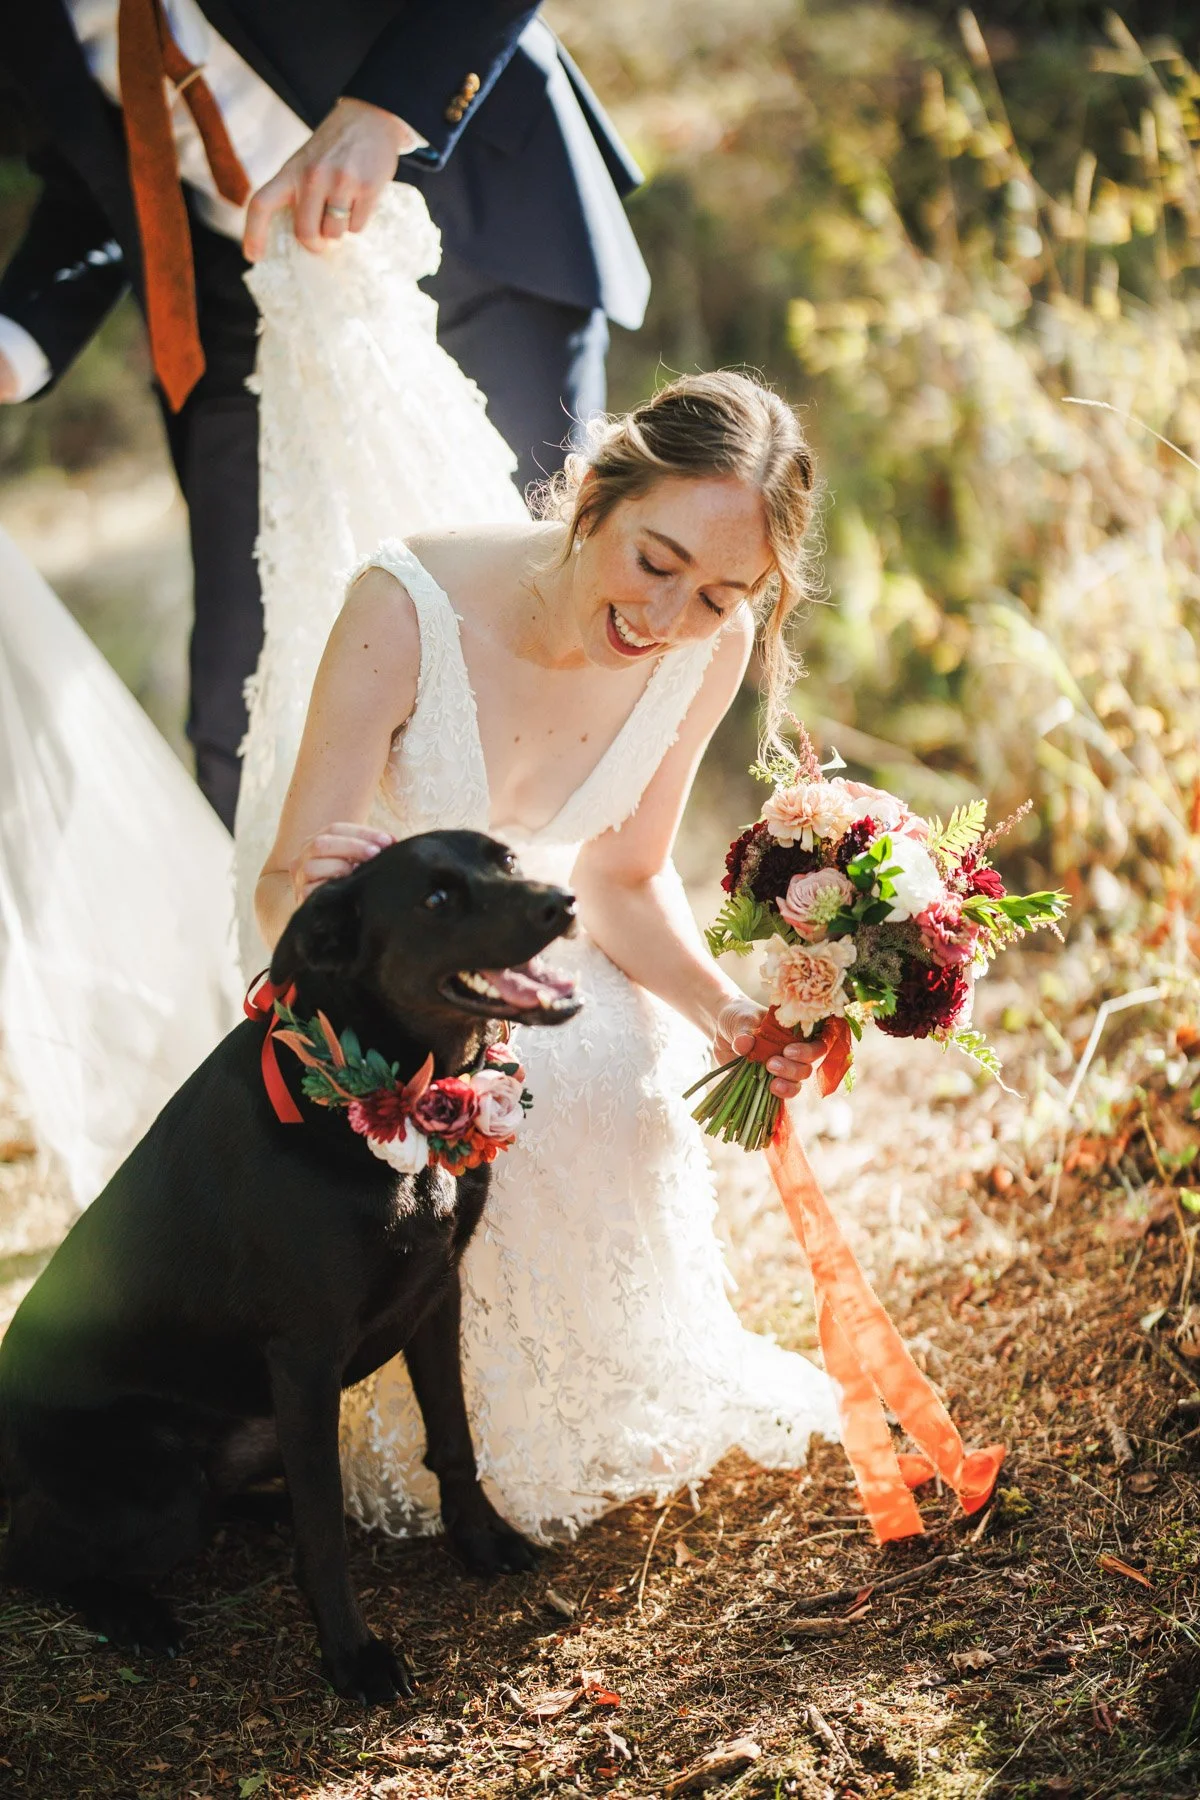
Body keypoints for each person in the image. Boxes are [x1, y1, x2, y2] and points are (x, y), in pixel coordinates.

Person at [251, 371, 841, 1541]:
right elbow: (286, 884)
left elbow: (618, 881)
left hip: (526, 946)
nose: (666, 621)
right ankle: (436, 1445)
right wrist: (388, 967)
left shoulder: (703, 652)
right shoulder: (404, 605)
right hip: (381, 970)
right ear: (597, 492)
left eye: (721, 595)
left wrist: (730, 1015)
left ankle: (590, 1397)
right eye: (654, 561)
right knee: (513, 1090)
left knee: (617, 1059)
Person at [0, 2, 648, 829]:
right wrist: (17, 340)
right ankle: (283, 948)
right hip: (247, 307)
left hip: (473, 218)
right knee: (243, 709)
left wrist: (385, 109)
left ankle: (544, 925)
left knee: (543, 634)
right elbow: (92, 172)